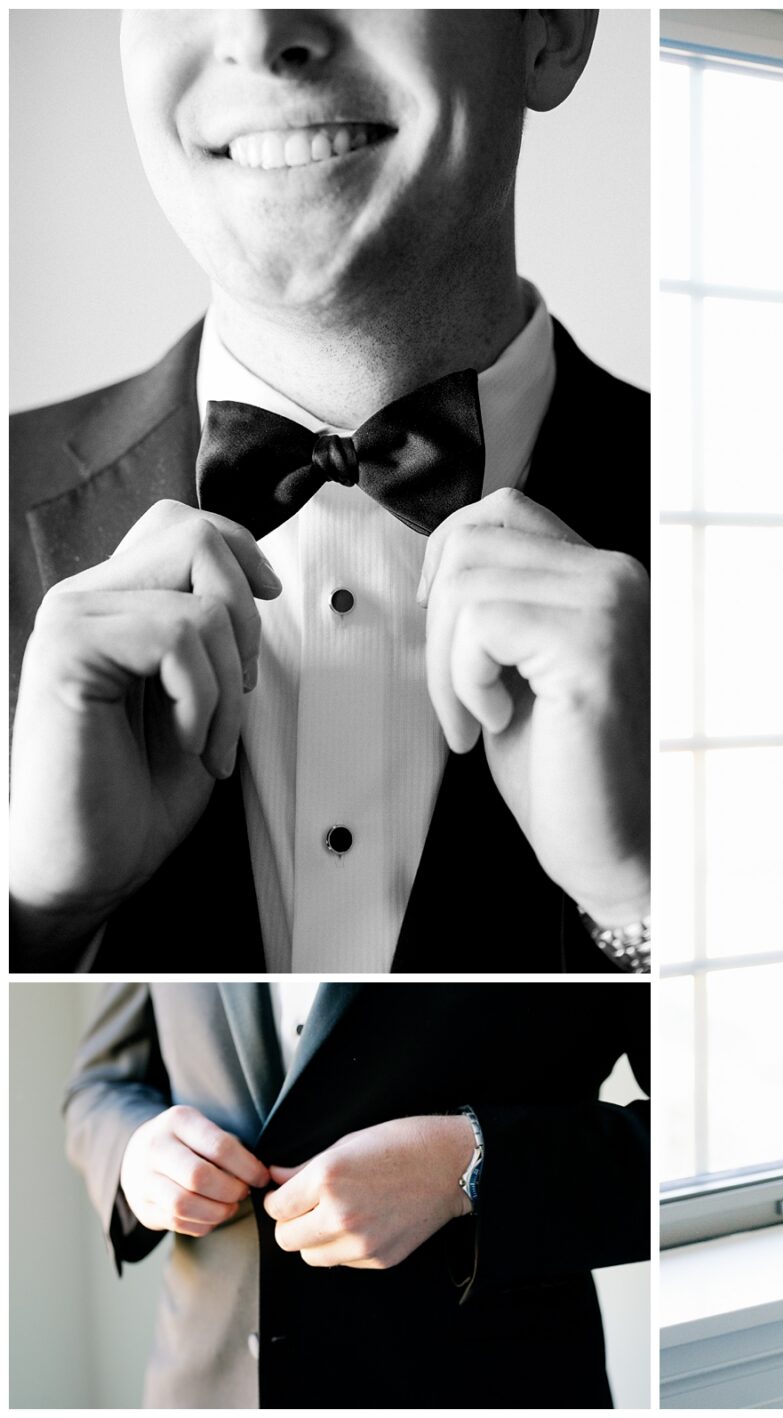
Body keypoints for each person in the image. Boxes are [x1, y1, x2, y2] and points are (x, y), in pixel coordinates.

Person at [10, 11, 648, 973]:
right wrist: (39, 917)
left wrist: (639, 898)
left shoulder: (765, 530)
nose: (262, 31)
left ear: (550, 30)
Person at [64, 981, 648, 1407]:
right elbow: (102, 1083)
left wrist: (468, 1164)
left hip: (483, 1380)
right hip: (203, 1383)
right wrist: (133, 1154)